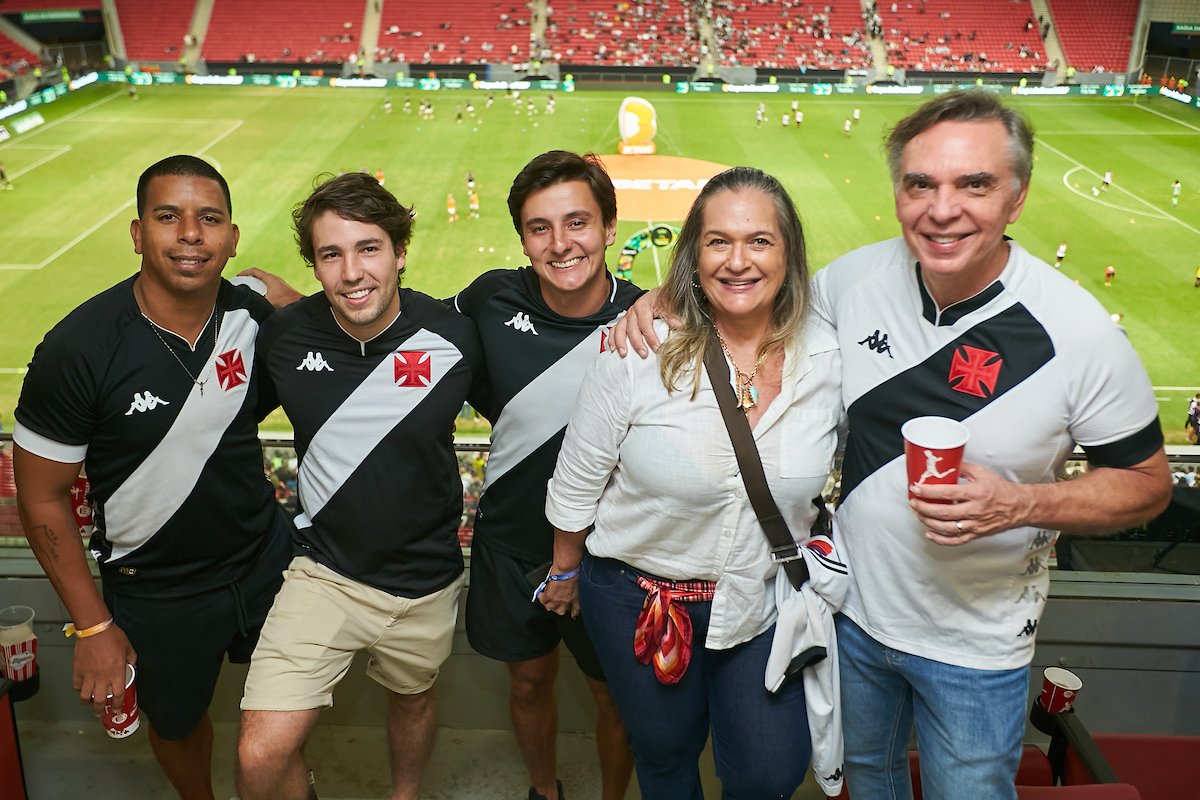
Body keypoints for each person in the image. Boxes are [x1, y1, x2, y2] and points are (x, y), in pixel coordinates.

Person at [608, 91, 1172, 800]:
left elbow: (1148, 481)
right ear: (899, 193)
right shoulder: (850, 283)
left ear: (1017, 197)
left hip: (978, 644)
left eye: (974, 183)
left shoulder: (1080, 333)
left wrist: (1021, 503)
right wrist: (663, 297)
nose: (942, 208)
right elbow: (746, 299)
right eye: (920, 184)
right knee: (865, 785)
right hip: (851, 621)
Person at [543, 166, 845, 798]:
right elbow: (576, 481)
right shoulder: (635, 349)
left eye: (760, 240)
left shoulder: (829, 358)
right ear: (693, 254)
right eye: (718, 242)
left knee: (768, 772)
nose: (738, 261)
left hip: (762, 600)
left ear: (789, 255)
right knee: (664, 754)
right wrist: (565, 572)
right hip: (641, 600)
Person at [13, 154, 293, 798]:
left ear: (233, 237)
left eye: (209, 219)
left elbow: (332, 353)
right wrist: (93, 626)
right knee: (176, 722)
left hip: (264, 559)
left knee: (286, 710)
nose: (191, 234)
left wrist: (297, 302)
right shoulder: (77, 349)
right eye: (169, 217)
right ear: (138, 234)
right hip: (156, 589)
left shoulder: (255, 315)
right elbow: (42, 499)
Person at [236, 172, 487, 800]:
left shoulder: (454, 336)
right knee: (260, 754)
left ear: (401, 252)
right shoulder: (285, 336)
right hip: (324, 573)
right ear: (316, 266)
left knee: (412, 701)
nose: (352, 271)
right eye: (331, 254)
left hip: (426, 578)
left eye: (368, 248)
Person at [456, 151, 639, 800]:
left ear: (610, 227)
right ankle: (545, 792)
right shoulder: (489, 298)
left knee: (615, 696)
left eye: (578, 223)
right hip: (509, 543)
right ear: (523, 238)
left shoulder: (651, 318)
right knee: (528, 683)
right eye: (540, 228)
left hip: (612, 555)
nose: (561, 245)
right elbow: (406, 329)